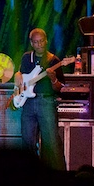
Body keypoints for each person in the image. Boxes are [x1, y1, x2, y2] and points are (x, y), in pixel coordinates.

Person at [14, 28, 66, 171]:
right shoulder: (26, 58)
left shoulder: (54, 60)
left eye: (42, 41)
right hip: (28, 103)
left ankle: (58, 175)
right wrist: (17, 74)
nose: (39, 45)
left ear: (46, 40)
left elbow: (59, 87)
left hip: (46, 102)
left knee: (51, 141)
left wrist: (53, 79)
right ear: (31, 43)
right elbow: (22, 73)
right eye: (36, 42)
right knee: (27, 140)